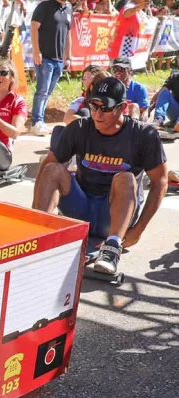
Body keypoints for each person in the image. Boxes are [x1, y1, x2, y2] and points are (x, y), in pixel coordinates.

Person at [32, 76, 167, 275]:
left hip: (114, 214)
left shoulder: (143, 135)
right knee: (53, 169)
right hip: (81, 207)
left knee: (125, 178)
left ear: (122, 108)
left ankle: (112, 249)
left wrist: (138, 230)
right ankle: (38, 234)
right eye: (93, 106)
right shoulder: (78, 128)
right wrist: (34, 211)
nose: (97, 113)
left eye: (105, 108)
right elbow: (47, 165)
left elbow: (160, 183)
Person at [29, 0, 73, 135]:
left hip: (59, 59)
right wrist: (36, 51)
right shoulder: (44, 6)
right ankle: (36, 121)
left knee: (47, 92)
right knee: (42, 91)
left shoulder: (69, 8)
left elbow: (68, 34)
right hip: (45, 57)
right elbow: (34, 27)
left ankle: (40, 121)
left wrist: (69, 56)